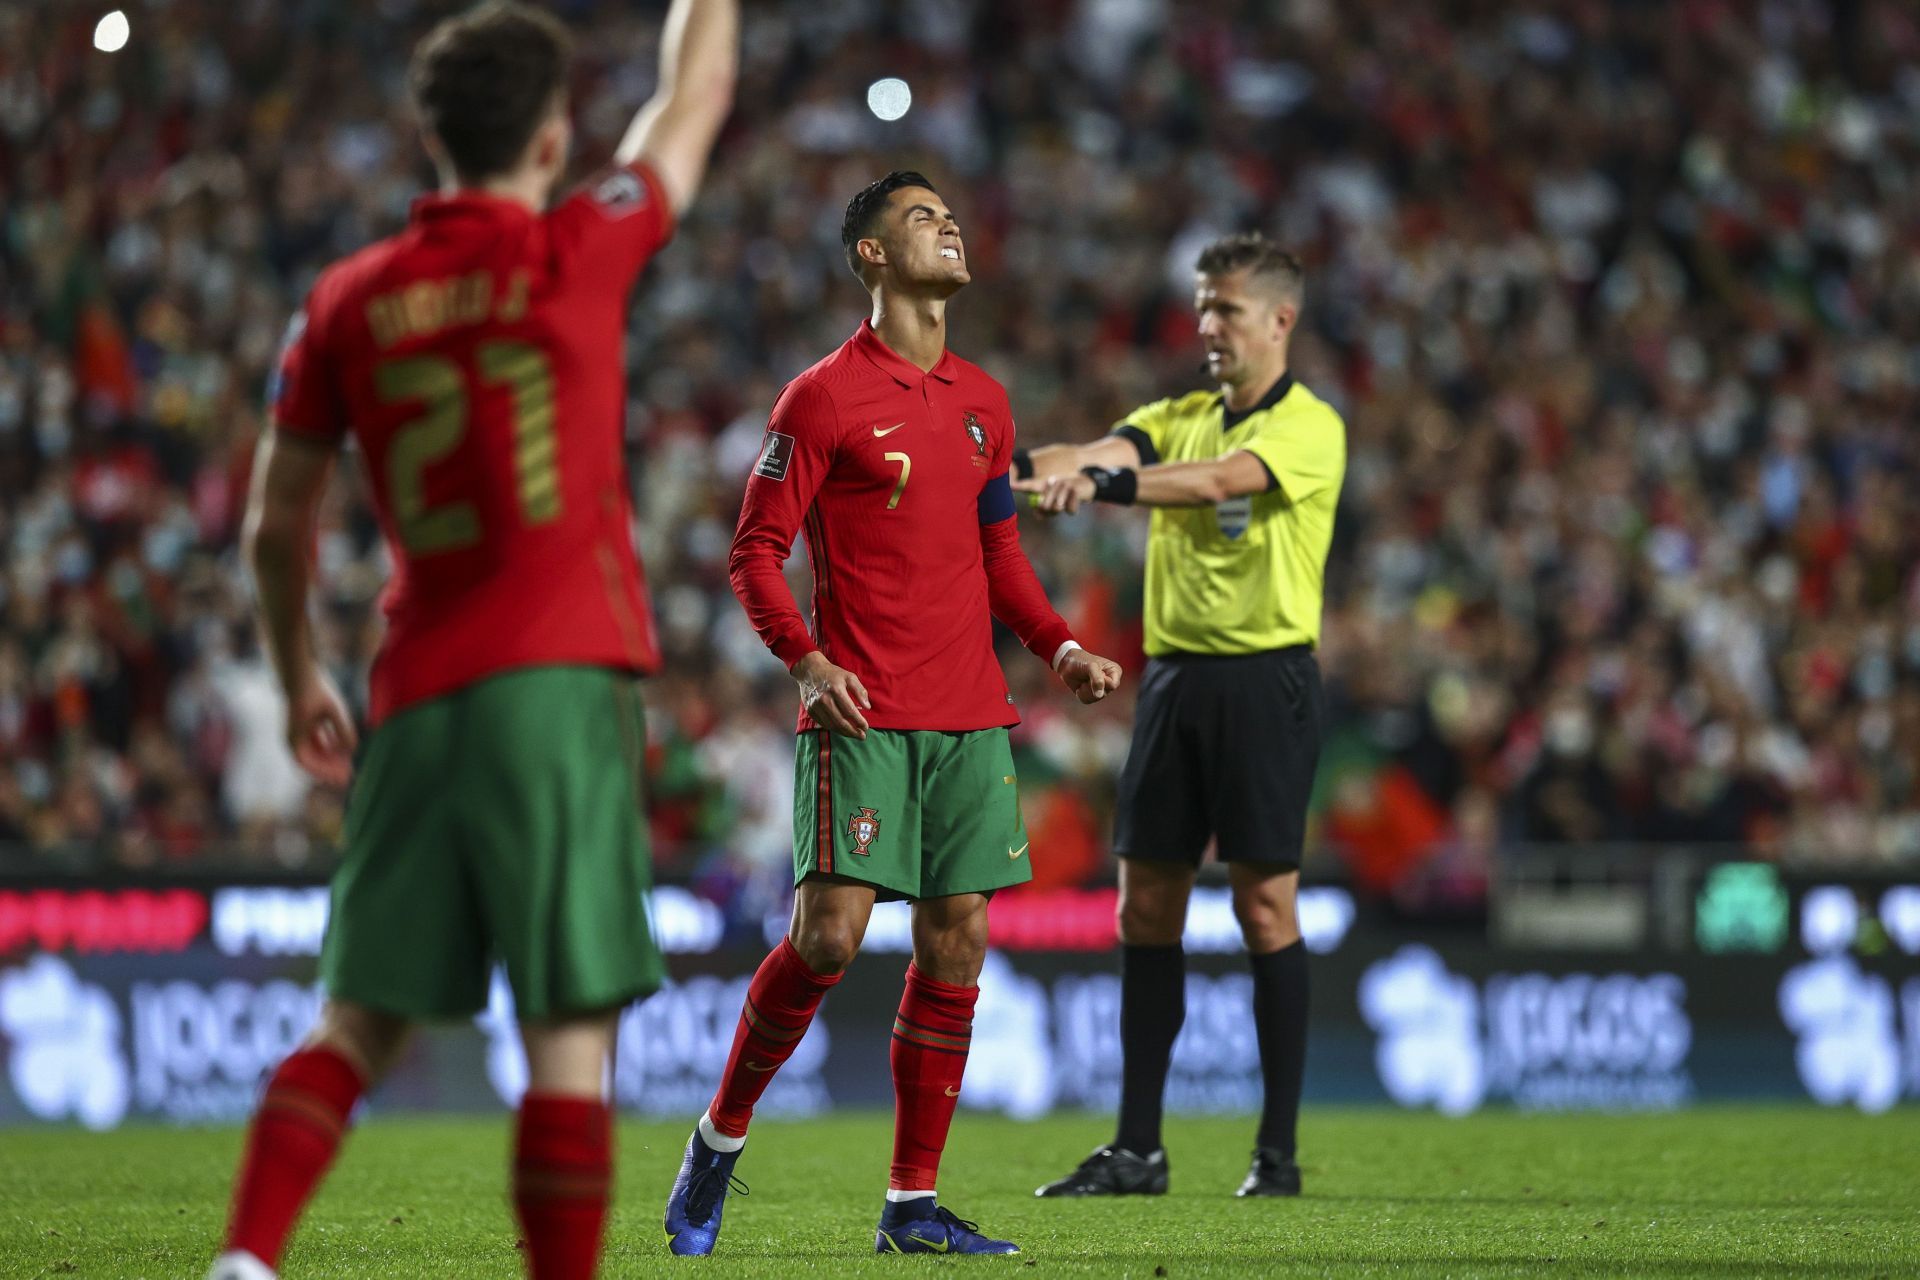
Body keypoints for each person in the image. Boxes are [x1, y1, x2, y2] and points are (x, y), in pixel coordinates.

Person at [206, 3, 736, 1278]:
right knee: (566, 1034)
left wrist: (296, 677)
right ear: (554, 138)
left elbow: (276, 528)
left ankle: (244, 1259)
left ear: (426, 134)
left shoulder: (345, 298)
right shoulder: (578, 247)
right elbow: (697, 92)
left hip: (415, 690)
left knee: (355, 1028)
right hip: (554, 680)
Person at [663, 170, 1124, 1258]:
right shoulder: (819, 397)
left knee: (957, 942)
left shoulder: (984, 402)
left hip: (970, 715)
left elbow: (1000, 551)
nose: (949, 224)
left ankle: (911, 1203)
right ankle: (719, 1138)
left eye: (951, 214)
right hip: (862, 710)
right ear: (871, 255)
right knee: (827, 935)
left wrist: (1058, 645)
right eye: (922, 217)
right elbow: (754, 552)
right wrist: (808, 660)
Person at [1016, 233, 1345, 1199]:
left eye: (1227, 309)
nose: (1207, 326)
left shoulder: (1309, 427)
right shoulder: (1178, 413)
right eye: (1203, 306)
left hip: (1265, 683)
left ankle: (1276, 1157)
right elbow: (1099, 450)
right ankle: (1138, 1150)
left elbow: (1213, 483)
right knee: (1144, 906)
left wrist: (1104, 485)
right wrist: (1007, 474)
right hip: (1173, 683)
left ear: (1280, 320)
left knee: (1263, 906)